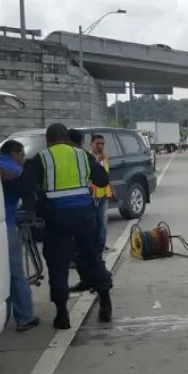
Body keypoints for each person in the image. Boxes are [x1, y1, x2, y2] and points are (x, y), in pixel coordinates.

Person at [20, 124, 114, 328]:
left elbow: (26, 187)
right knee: (92, 258)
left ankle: (62, 315)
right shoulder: (82, 155)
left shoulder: (41, 158)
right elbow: (102, 179)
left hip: (57, 219)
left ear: (48, 140)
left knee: (58, 265)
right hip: (85, 217)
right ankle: (105, 302)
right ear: (67, 139)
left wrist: (39, 202)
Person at [0, 140, 41, 332]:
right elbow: (29, 190)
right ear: (15, 154)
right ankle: (24, 317)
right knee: (16, 273)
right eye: (22, 155)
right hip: (5, 225)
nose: (23, 160)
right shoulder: (15, 169)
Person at [91, 134, 116, 252]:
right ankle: (95, 246)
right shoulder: (89, 157)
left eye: (102, 144)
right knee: (94, 222)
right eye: (97, 144)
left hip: (104, 194)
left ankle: (102, 245)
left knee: (103, 221)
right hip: (93, 195)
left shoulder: (105, 157)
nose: (100, 146)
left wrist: (112, 189)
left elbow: (107, 175)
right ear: (92, 144)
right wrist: (97, 160)